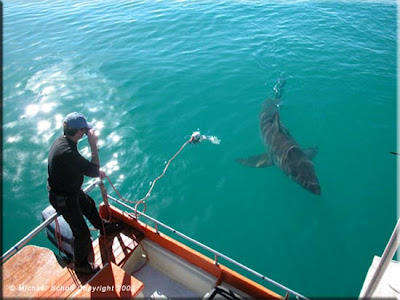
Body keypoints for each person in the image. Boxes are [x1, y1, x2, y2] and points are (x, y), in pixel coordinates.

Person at [47, 112, 117, 274]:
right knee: (82, 233)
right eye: (85, 130)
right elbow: (93, 170)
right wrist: (93, 145)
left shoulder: (63, 141)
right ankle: (81, 265)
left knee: (89, 205)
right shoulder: (67, 152)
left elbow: (79, 166)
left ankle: (103, 227)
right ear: (79, 132)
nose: (87, 133)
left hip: (70, 189)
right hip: (63, 198)